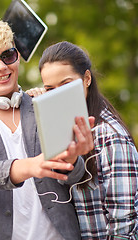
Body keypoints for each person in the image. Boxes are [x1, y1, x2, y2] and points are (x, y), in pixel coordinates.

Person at [0, 18, 94, 240]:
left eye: (8, 56)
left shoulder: (45, 105)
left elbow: (76, 175)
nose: (2, 67)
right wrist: (30, 166)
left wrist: (72, 159)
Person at [38, 41, 138, 239]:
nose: (58, 95)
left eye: (66, 85)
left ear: (87, 78)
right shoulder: (62, 130)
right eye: (50, 89)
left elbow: (124, 226)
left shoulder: (111, 136)